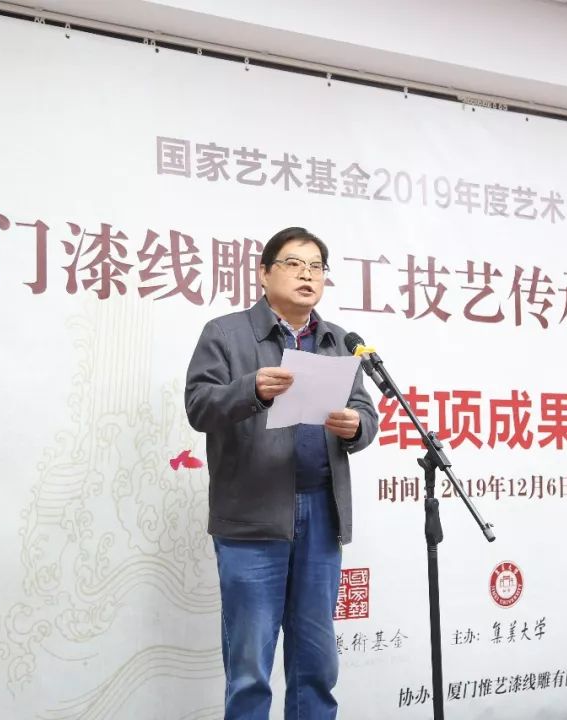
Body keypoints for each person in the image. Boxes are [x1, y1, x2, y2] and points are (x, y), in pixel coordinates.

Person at [185, 226, 378, 719]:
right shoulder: (225, 334)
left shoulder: (339, 342)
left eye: (316, 267)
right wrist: (251, 390)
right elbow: (199, 406)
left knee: (317, 662)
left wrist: (356, 425)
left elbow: (365, 411)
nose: (307, 275)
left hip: (322, 514)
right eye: (294, 264)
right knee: (250, 668)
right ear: (264, 273)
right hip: (252, 518)